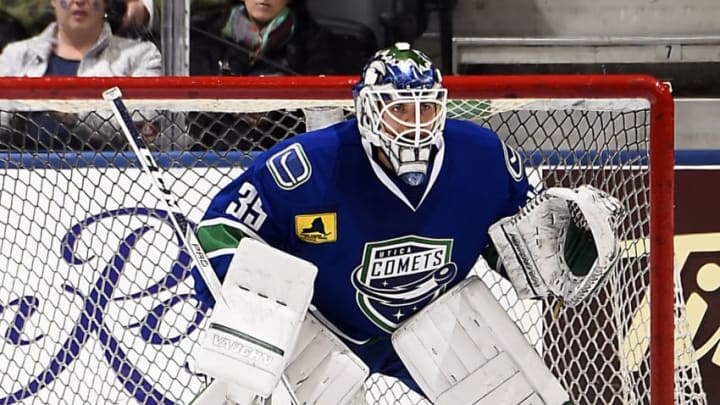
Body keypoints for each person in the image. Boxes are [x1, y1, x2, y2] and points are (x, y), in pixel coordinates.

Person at [190, 43, 623, 403]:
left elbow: (520, 256)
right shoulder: (308, 165)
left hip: (435, 325)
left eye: (426, 111)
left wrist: (567, 252)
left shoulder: (483, 158)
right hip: (323, 332)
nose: (416, 127)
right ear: (367, 110)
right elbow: (219, 233)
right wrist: (260, 315)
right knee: (238, 387)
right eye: (400, 111)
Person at [0, 0, 160, 151]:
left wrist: (70, 111)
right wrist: (17, 111)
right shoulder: (16, 55)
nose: (79, 1)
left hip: (110, 173)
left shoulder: (140, 56)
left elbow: (143, 126)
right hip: (20, 174)